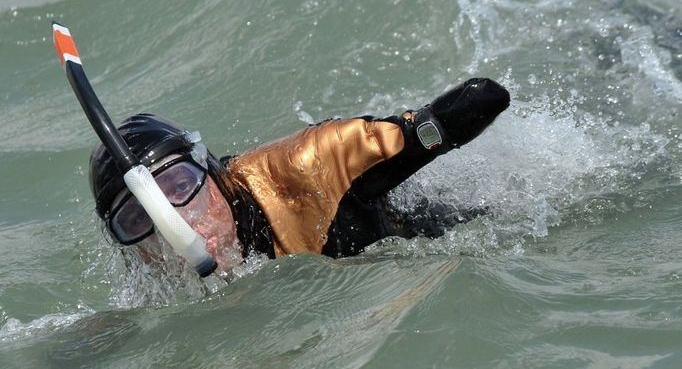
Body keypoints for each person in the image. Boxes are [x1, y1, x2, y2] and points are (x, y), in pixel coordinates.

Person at [89, 77, 510, 275]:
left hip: (442, 252)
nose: (175, 223)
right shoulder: (153, 278)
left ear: (211, 171)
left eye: (181, 186)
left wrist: (432, 129)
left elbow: (483, 97)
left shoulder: (312, 167)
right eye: (138, 220)